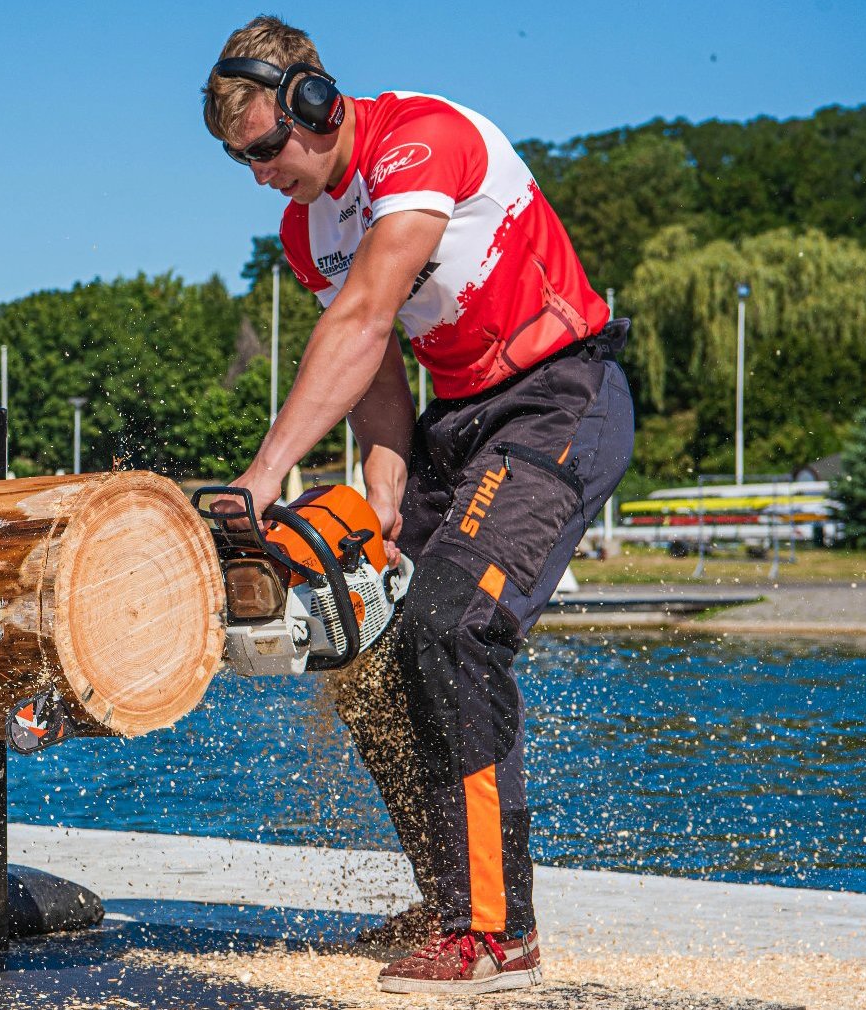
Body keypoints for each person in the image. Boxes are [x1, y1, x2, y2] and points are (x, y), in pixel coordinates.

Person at [202, 16, 634, 996]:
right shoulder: (304, 226)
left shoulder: (421, 141)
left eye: (267, 147)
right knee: (368, 645)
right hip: (455, 424)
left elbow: (362, 316)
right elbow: (379, 364)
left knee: (452, 626)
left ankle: (495, 932)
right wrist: (384, 483)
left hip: (560, 394)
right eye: (241, 159)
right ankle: (451, 898)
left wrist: (265, 472)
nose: (260, 170)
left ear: (315, 101)